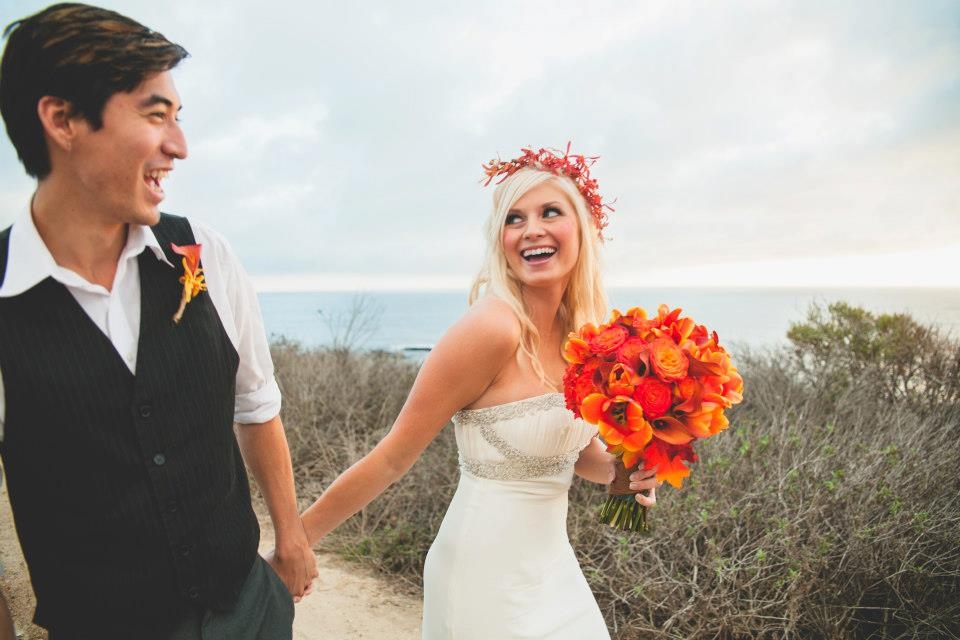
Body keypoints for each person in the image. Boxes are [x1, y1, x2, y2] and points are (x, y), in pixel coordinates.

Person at [0, 4, 316, 638]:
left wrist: (292, 539)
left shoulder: (204, 253)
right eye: (155, 114)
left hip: (249, 610)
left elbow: (256, 403)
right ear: (62, 120)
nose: (179, 146)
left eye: (178, 117)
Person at [297, 144, 659, 639]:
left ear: (583, 227)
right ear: (500, 240)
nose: (531, 229)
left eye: (550, 212)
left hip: (554, 571)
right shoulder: (491, 328)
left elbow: (574, 453)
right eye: (514, 219)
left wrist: (627, 468)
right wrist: (296, 543)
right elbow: (392, 458)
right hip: (482, 579)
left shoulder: (587, 339)